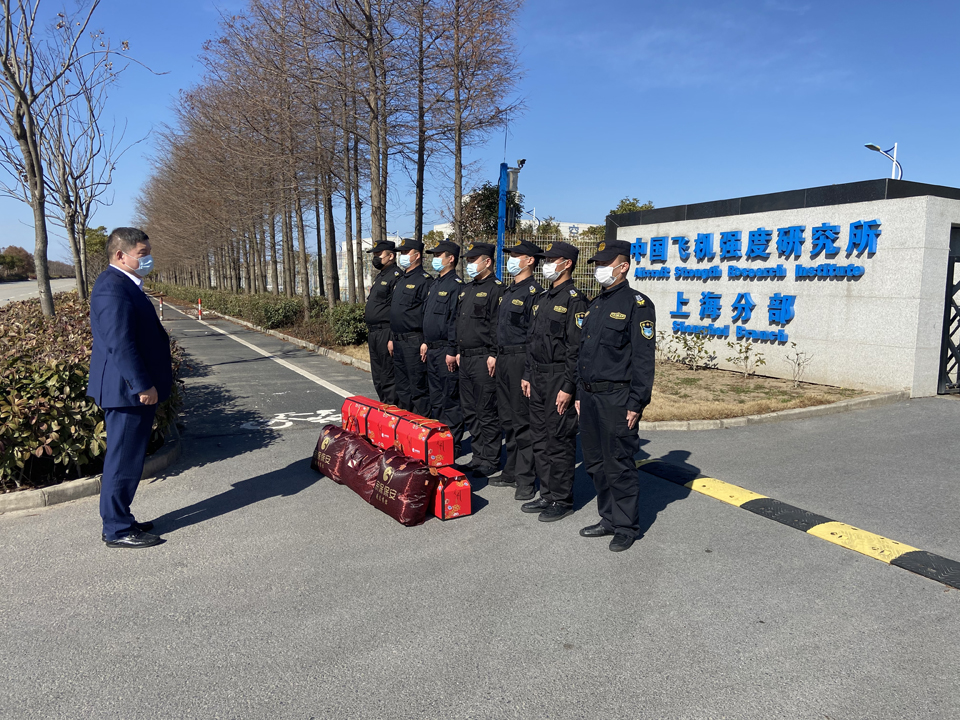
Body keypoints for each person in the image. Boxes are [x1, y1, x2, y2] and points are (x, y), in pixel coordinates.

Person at [87, 227, 172, 549]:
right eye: (142, 253)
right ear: (121, 255)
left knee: (127, 460)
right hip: (127, 391)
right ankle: (117, 529)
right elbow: (120, 344)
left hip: (129, 390)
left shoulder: (124, 284)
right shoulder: (112, 287)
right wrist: (142, 385)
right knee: (123, 462)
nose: (148, 259)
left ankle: (120, 518)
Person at [576, 239, 656, 552]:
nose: (598, 269)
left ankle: (625, 526)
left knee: (618, 463)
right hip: (590, 396)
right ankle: (608, 518)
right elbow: (584, 353)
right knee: (595, 462)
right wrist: (579, 392)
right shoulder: (596, 304)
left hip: (617, 398)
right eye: (597, 264)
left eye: (604, 264)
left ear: (623, 267)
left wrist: (637, 402)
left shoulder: (637, 304)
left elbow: (643, 359)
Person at [520, 241, 589, 520]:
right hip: (537, 376)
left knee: (558, 440)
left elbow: (576, 349)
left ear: (567, 263)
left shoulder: (575, 300)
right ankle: (547, 493)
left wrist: (568, 387)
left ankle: (562, 499)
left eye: (552, 260)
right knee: (539, 437)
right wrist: (527, 374)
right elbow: (532, 340)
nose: (546, 265)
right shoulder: (542, 298)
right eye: (546, 260)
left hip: (558, 377)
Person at [492, 240, 543, 499]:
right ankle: (510, 471)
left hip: (520, 359)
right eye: (510, 255)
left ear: (530, 260)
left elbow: (534, 337)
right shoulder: (509, 290)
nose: (511, 259)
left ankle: (526, 479)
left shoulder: (534, 292)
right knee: (507, 419)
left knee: (522, 421)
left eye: (516, 255)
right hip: (503, 359)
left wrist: (528, 372)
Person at [455, 242, 504, 477]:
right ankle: (478, 456)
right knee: (471, 410)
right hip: (465, 357)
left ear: (487, 262)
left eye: (473, 260)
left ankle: (490, 458)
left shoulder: (496, 289)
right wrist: (458, 349)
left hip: (484, 358)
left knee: (486, 410)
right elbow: (460, 322)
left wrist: (494, 353)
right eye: (468, 260)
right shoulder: (467, 289)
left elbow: (496, 325)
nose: (469, 264)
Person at [421, 239, 465, 455]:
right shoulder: (435, 284)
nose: (435, 259)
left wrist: (452, 350)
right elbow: (429, 317)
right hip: (431, 349)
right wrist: (425, 341)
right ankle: (439, 441)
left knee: (450, 400)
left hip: (445, 350)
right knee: (436, 399)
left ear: (451, 259)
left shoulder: (456, 285)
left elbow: (455, 321)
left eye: (439, 255)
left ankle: (453, 444)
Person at [389, 237, 433, 416]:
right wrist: (392, 338)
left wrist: (425, 341)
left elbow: (427, 314)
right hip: (398, 341)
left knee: (418, 388)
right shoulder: (401, 279)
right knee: (402, 388)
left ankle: (421, 425)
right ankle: (406, 425)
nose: (403, 256)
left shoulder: (424, 281)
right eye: (402, 252)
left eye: (406, 252)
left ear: (417, 255)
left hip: (414, 341)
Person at [364, 239, 403, 405]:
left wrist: (392, 337)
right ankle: (384, 407)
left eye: (379, 254)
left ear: (391, 256)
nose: (376, 258)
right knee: (378, 377)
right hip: (374, 333)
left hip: (386, 332)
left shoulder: (396, 277)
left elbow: (397, 310)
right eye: (374, 255)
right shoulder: (380, 276)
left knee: (388, 376)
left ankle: (392, 410)